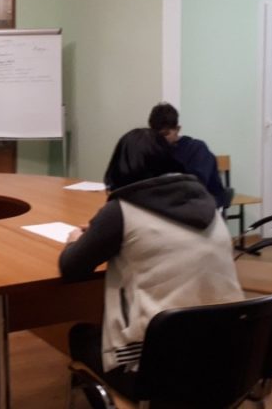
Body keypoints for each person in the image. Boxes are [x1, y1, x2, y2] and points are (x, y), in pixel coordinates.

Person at [59, 128, 243, 400]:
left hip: (158, 372)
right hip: (229, 360)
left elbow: (71, 267)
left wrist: (75, 240)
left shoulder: (121, 210)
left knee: (80, 335)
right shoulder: (207, 204)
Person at [148, 102, 227, 207]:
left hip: (202, 204)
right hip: (172, 204)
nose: (160, 139)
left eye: (165, 134)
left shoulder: (197, 149)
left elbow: (197, 186)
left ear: (177, 129)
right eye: (156, 135)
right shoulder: (154, 150)